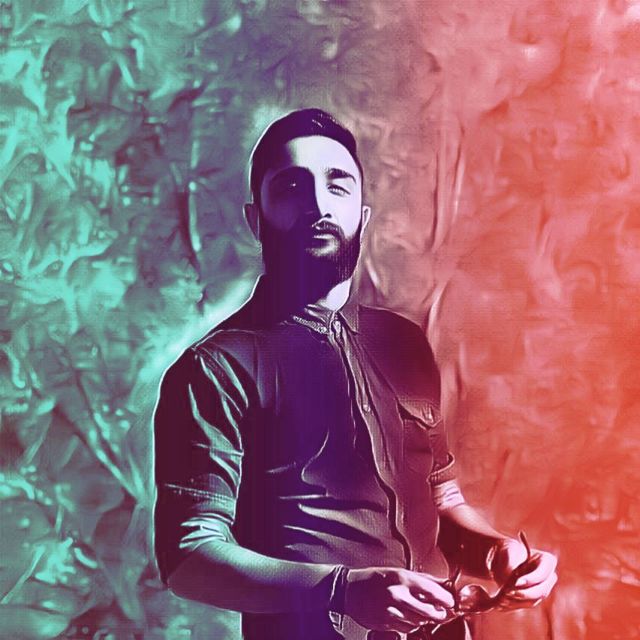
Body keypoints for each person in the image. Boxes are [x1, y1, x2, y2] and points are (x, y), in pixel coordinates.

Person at [153, 108, 557, 640]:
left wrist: (497, 553)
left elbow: (443, 500)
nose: (318, 205)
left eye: (337, 185)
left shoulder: (405, 343)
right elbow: (189, 557)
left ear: (362, 216)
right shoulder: (215, 369)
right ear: (256, 219)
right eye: (291, 187)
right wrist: (340, 589)